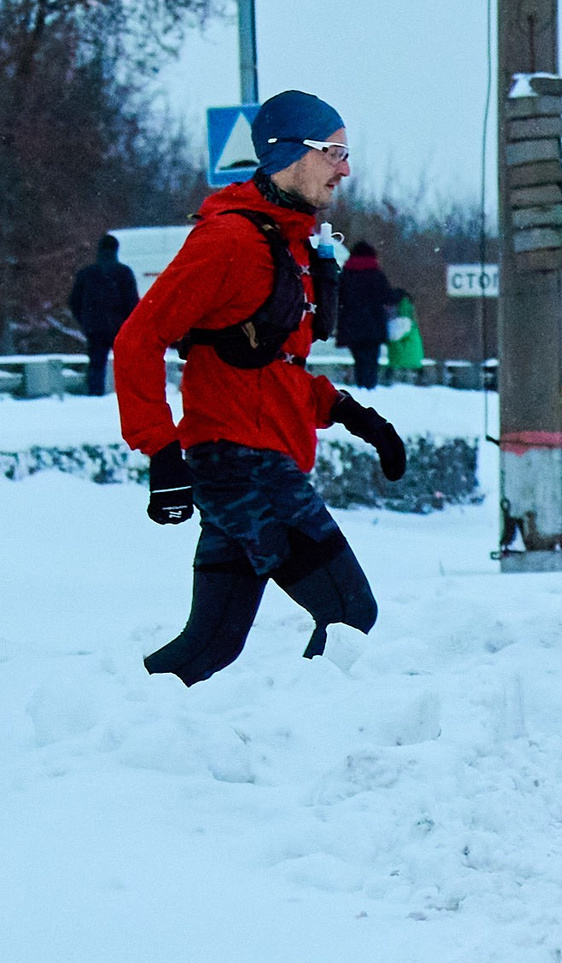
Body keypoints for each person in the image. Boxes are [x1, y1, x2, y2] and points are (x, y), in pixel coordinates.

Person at [113, 90, 408, 685]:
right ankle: (310, 743)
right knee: (349, 614)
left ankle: (111, 731)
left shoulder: (287, 243)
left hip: (245, 460)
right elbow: (137, 341)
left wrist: (355, 416)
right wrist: (161, 452)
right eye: (334, 152)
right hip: (245, 464)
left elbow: (271, 368)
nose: (345, 168)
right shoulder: (229, 243)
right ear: (288, 154)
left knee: (211, 645)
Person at [68, 234, 140, 396]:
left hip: (95, 327)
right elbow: (132, 302)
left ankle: (95, 394)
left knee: (96, 364)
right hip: (119, 326)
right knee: (126, 364)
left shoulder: (86, 274)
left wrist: (85, 321)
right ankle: (129, 393)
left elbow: (74, 301)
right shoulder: (124, 273)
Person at [335, 241, 396, 389]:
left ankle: (361, 385)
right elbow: (387, 297)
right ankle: (370, 386)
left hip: (352, 325)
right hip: (374, 324)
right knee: (372, 359)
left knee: (359, 359)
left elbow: (338, 298)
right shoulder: (377, 275)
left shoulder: (346, 275)